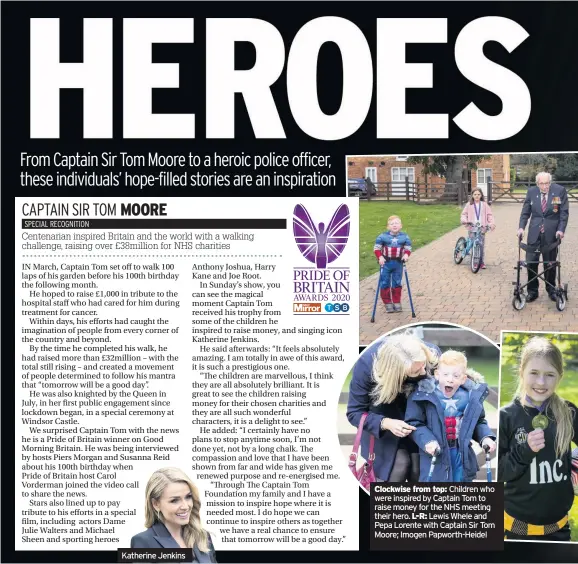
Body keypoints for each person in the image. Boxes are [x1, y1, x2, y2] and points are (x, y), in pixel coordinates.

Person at [499, 337, 578, 542]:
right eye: (534, 373)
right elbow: (500, 472)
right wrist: (524, 450)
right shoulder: (506, 416)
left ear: (559, 377)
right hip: (516, 529)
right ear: (521, 372)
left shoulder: (569, 413)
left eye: (549, 375)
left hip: (559, 529)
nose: (541, 382)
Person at [346, 333, 440, 482]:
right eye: (416, 372)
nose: (423, 372)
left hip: (421, 423)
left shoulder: (431, 354)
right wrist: (386, 423)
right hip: (383, 423)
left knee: (419, 468)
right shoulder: (367, 365)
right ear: (394, 373)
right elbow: (354, 412)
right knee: (399, 465)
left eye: (423, 365)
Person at [405, 350, 496, 482]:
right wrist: (427, 441)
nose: (450, 379)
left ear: (463, 378)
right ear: (437, 374)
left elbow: (478, 421)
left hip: (461, 454)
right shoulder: (423, 395)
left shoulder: (470, 397)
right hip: (435, 454)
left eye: (456, 376)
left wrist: (485, 437)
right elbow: (414, 422)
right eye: (446, 374)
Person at [130, 468, 217, 562]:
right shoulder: (143, 542)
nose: (185, 506)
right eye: (174, 500)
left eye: (188, 497)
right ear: (156, 504)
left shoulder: (202, 536)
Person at [517, 172, 569, 302]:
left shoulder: (559, 191)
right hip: (534, 233)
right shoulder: (531, 192)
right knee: (531, 263)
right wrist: (521, 228)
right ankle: (532, 291)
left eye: (547, 183)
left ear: (550, 182)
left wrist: (561, 230)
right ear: (537, 183)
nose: (545, 186)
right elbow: (525, 213)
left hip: (551, 235)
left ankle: (551, 290)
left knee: (550, 264)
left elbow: (563, 213)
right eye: (542, 183)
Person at [373, 215, 412, 313]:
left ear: (401, 225)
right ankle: (387, 302)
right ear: (388, 226)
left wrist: (406, 255)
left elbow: (408, 248)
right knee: (385, 282)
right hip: (386, 263)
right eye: (392, 224)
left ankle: (396, 301)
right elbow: (377, 248)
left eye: (397, 223)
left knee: (397, 282)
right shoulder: (382, 236)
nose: (394, 225)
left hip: (398, 263)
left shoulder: (405, 237)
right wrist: (380, 257)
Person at [460, 188, 495, 269]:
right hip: (472, 227)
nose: (477, 196)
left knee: (480, 245)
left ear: (481, 195)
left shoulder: (484, 205)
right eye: (475, 194)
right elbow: (464, 214)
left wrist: (491, 223)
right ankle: (475, 262)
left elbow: (490, 215)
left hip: (481, 228)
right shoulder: (469, 204)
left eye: (478, 194)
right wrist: (464, 220)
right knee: (473, 245)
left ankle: (481, 262)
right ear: (472, 195)